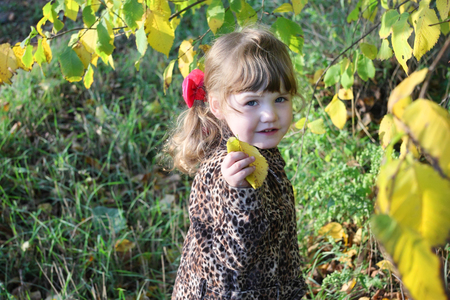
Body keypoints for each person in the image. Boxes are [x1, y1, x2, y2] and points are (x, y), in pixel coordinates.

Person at [166, 26, 306, 300]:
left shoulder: (260, 151)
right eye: (252, 102)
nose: (270, 115)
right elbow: (232, 257)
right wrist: (237, 193)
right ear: (217, 106)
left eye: (280, 99)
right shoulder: (223, 170)